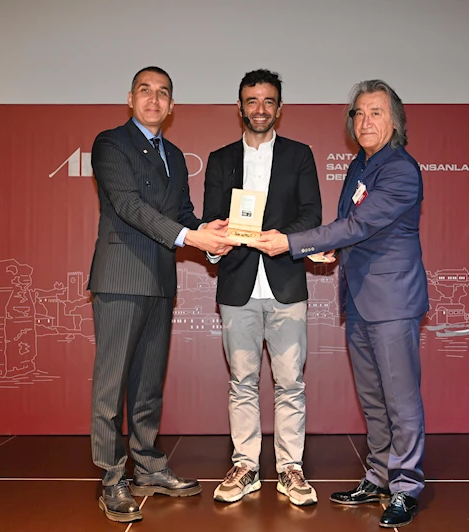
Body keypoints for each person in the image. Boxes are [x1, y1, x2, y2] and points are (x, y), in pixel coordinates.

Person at [249, 79, 429, 528]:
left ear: (395, 121)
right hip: (361, 299)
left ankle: (406, 487)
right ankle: (379, 476)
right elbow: (349, 225)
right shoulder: (360, 165)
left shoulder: (400, 170)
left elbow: (359, 225)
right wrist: (327, 246)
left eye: (376, 112)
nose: (365, 121)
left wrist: (292, 242)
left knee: (400, 400)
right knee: (374, 400)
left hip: (392, 301)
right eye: (358, 113)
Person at [88, 66, 237, 523]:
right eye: (145, 91)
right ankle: (112, 478)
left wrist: (206, 230)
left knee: (148, 384)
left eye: (162, 93)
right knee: (112, 385)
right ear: (130, 98)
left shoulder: (172, 153)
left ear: (172, 106)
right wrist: (191, 238)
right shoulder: (110, 143)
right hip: (120, 277)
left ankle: (149, 466)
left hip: (159, 280)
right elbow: (129, 206)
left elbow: (182, 213)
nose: (153, 99)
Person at [202, 69, 322, 506]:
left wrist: (281, 239)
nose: (260, 109)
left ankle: (291, 468)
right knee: (242, 381)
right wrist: (216, 241)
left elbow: (311, 214)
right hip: (238, 284)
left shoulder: (299, 155)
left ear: (279, 108)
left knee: (291, 382)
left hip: (285, 282)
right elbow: (212, 219)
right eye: (251, 101)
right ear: (240, 107)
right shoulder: (220, 159)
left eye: (268, 101)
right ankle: (246, 466)